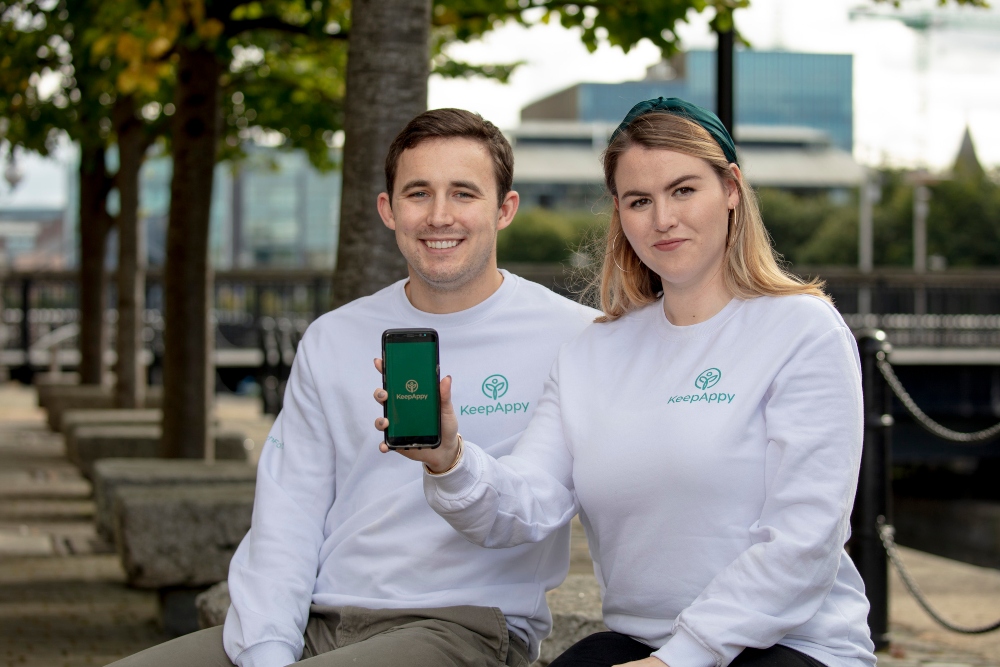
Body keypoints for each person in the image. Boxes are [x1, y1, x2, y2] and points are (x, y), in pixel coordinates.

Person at [377, 98, 878, 667]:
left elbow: (803, 541)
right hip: (641, 643)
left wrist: (680, 658)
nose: (663, 218)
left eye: (684, 190)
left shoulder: (801, 329)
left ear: (732, 189)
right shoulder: (594, 350)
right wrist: (450, 460)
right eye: (640, 201)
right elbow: (527, 504)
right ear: (620, 213)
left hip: (789, 645)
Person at [108, 108, 596, 667]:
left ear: (504, 208)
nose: (439, 216)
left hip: (461, 625)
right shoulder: (333, 337)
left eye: (464, 193)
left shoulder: (573, 336)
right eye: (418, 193)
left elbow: (538, 511)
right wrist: (268, 649)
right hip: (324, 620)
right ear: (388, 209)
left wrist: (451, 462)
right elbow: (287, 514)